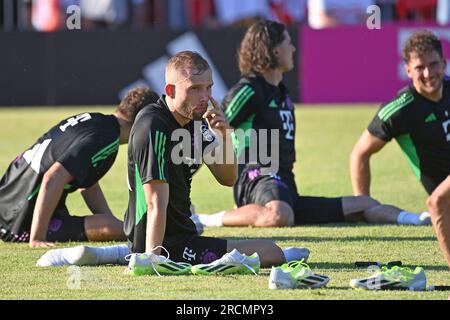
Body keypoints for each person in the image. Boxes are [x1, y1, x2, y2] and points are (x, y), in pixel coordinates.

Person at [36, 51, 310, 269]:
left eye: (209, 87)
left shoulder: (196, 121)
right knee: (273, 252)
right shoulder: (152, 124)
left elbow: (227, 179)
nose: (205, 97)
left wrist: (225, 137)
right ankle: (138, 254)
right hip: (167, 240)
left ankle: (124, 253)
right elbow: (155, 201)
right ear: (169, 89)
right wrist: (154, 260)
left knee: (271, 251)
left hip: (178, 233)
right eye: (195, 88)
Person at [193, 20, 430, 231]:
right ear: (274, 50)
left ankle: (417, 219)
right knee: (280, 215)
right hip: (258, 177)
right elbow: (212, 128)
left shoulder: (282, 94)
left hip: (285, 186)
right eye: (288, 43)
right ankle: (206, 219)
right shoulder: (249, 89)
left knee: (365, 204)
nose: (293, 48)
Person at [0, 87, 159, 248]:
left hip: (6, 205)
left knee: (117, 227)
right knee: (129, 231)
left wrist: (109, 220)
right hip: (19, 221)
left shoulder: (96, 120)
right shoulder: (106, 138)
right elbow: (52, 177)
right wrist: (37, 238)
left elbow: (87, 182)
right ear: (144, 121)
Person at [350, 30, 450, 268]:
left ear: (444, 64)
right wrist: (361, 202)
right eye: (419, 68)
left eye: (433, 64)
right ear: (407, 71)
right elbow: (360, 153)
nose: (428, 74)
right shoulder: (399, 110)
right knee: (437, 202)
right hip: (444, 201)